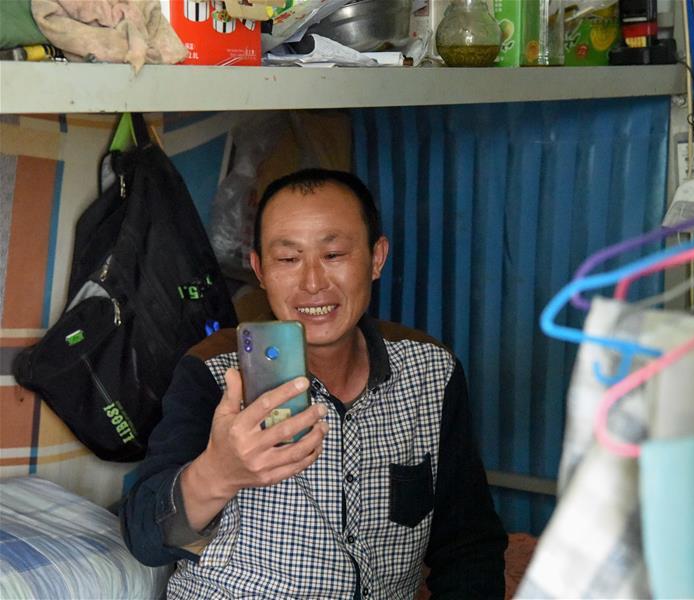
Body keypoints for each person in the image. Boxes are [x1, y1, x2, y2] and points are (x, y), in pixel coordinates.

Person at [120, 168, 508, 599]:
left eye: (334, 254)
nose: (312, 283)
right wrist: (218, 473)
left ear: (376, 258)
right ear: (260, 269)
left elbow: (468, 544)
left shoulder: (430, 371)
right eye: (288, 259)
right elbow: (145, 535)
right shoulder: (214, 372)